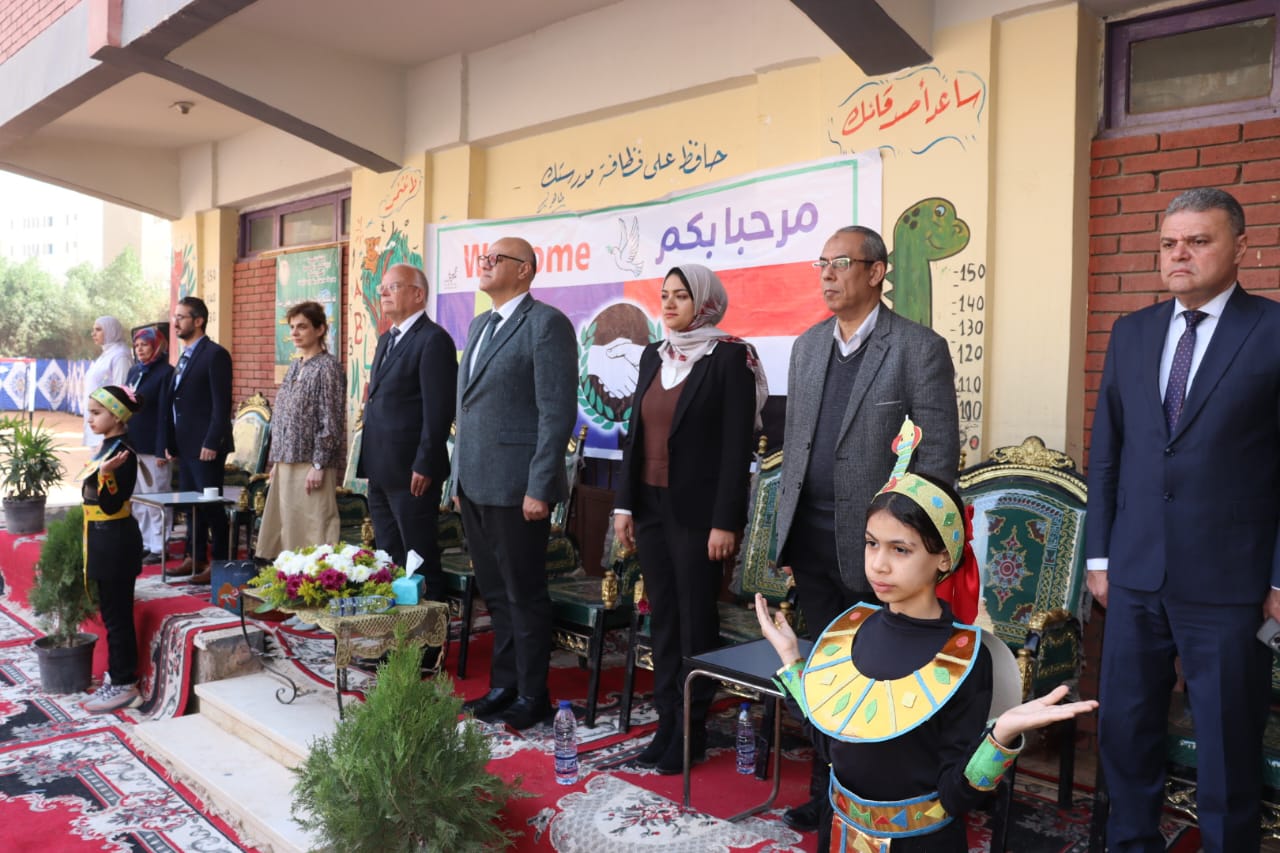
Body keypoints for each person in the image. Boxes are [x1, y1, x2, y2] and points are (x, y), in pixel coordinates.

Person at [755, 417, 1097, 851]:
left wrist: (1000, 736)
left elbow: (957, 796)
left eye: (900, 549)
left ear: (943, 559)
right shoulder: (851, 630)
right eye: (871, 543)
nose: (879, 564)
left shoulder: (965, 658)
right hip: (838, 832)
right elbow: (829, 744)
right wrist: (792, 662)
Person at [1087, 187, 1280, 853]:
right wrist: (1099, 558)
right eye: (1170, 243)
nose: (1180, 254)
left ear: (1240, 246)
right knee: (1125, 733)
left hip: (1231, 586)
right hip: (1134, 576)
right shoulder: (1132, 332)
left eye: (1198, 241)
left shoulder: (1271, 330)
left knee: (1227, 747)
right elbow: (1107, 453)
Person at [772, 224, 960, 831]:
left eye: (841, 263)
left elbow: (937, 455)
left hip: (880, 550)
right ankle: (825, 790)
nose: (827, 275)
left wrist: (903, 541)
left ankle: (881, 794)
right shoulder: (807, 346)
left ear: (876, 272)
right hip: (810, 538)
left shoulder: (916, 348)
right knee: (824, 670)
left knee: (880, 676)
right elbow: (795, 448)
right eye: (821, 264)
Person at [612, 263, 767, 774]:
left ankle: (691, 730)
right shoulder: (653, 356)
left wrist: (726, 522)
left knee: (696, 621)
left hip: (699, 515)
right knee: (663, 618)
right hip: (651, 508)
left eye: (681, 295)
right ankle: (666, 723)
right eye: (665, 295)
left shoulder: (731, 358)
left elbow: (736, 449)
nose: (670, 304)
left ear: (705, 302)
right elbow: (636, 437)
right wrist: (624, 505)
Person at [455, 237, 578, 731]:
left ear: (524, 270)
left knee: (524, 593)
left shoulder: (545, 324)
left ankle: (532, 694)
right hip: (474, 481)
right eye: (482, 258)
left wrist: (540, 485)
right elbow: (468, 407)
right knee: (495, 592)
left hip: (517, 486)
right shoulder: (480, 324)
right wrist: (456, 476)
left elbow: (556, 412)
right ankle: (503, 685)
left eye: (495, 259)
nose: (484, 264)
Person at [356, 266, 457, 598]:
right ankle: (396, 624)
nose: (383, 293)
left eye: (393, 287)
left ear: (418, 294)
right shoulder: (387, 338)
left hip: (413, 472)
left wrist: (425, 462)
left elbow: (438, 410)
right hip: (381, 468)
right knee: (389, 556)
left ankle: (431, 628)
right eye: (382, 288)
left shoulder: (433, 340)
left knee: (419, 557)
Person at [257, 301, 347, 558]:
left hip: (311, 464)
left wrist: (319, 464)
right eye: (292, 327)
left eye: (302, 327)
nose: (295, 333)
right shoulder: (296, 365)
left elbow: (331, 419)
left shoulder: (328, 367)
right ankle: (290, 578)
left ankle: (315, 578)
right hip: (287, 461)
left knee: (313, 529)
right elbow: (285, 415)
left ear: (320, 329)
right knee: (288, 530)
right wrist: (277, 461)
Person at [79, 385, 146, 713]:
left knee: (118, 618)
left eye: (96, 412)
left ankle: (125, 685)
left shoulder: (123, 454)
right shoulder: (108, 446)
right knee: (111, 615)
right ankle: (117, 677)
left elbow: (110, 504)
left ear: (117, 416)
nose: (90, 419)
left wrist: (105, 475)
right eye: (89, 412)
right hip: (103, 540)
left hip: (116, 542)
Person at [159, 296, 233, 584]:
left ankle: (221, 564)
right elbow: (176, 402)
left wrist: (212, 441)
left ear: (198, 320)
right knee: (191, 507)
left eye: (181, 317)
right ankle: (195, 556)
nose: (175, 322)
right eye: (175, 316)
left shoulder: (215, 354)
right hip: (185, 444)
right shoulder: (185, 356)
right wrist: (170, 441)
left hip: (206, 447)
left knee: (211, 506)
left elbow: (221, 405)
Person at [125, 326, 174, 565]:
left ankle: (160, 545)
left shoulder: (166, 373)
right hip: (132, 444)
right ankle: (145, 542)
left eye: (144, 344)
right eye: (136, 345)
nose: (140, 349)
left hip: (154, 447)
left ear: (157, 346)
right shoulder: (135, 371)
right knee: (138, 498)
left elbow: (165, 413)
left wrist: (162, 448)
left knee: (156, 497)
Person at [83, 316, 132, 448]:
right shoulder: (106, 354)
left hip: (110, 427)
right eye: (93, 330)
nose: (93, 334)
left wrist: (112, 433)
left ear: (111, 330)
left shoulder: (120, 355)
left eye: (98, 330)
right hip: (98, 422)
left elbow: (121, 392)